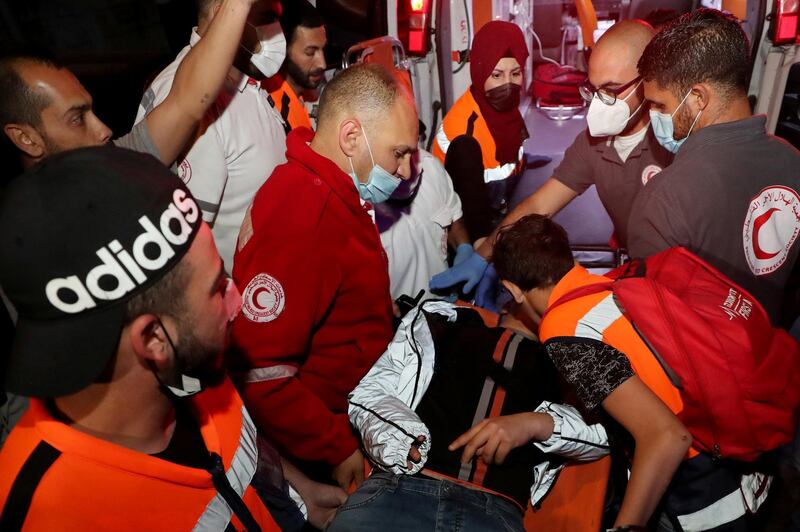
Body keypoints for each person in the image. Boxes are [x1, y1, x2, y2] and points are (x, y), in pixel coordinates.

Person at [0, 147, 286, 531]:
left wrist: (301, 500)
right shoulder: (47, 514)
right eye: (218, 288)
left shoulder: (194, 364)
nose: (237, 301)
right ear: (154, 339)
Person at [493, 214, 773, 529]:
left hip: (701, 488)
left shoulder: (564, 329)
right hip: (741, 457)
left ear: (512, 289)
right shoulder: (613, 286)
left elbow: (668, 436)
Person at [229, 63, 418, 490]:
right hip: (323, 443)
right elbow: (263, 372)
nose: (405, 170)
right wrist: (335, 448)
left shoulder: (331, 192)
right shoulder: (302, 213)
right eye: (398, 153)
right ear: (352, 137)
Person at [431, 20, 672, 310]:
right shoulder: (592, 145)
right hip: (638, 272)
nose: (598, 104)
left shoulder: (674, 142)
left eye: (611, 90)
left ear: (648, 81)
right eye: (593, 90)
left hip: (678, 280)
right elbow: (536, 206)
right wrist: (483, 257)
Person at [327, 299, 610, 532]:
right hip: (400, 490)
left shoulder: (567, 361)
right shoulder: (440, 326)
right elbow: (369, 393)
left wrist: (537, 423)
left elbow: (606, 433)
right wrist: (402, 438)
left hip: (492, 512)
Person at [628, 8, 800, 324]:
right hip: (772, 353)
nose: (653, 115)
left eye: (659, 104)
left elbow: (654, 325)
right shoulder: (793, 160)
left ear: (697, 98)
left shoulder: (664, 201)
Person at [0, 0, 257, 169]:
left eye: (92, 112)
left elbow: (186, 102)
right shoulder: (30, 241)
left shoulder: (115, 163)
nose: (104, 130)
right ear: (26, 138)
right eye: (77, 119)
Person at [135, 0, 289, 271]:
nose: (277, 31)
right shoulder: (191, 98)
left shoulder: (244, 81)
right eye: (266, 16)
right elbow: (183, 244)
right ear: (224, 9)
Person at [431, 20, 529, 241]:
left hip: (502, 204)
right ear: (479, 70)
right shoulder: (464, 134)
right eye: (496, 75)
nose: (508, 84)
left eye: (515, 73)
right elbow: (472, 217)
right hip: (465, 224)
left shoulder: (507, 113)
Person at [375, 148, 470, 302]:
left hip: (444, 311)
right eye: (397, 154)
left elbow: (453, 215)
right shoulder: (347, 201)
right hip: (395, 323)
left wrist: (464, 248)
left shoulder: (429, 165)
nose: (407, 172)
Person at [266, 0, 326, 131]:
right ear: (284, 50)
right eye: (310, 52)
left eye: (323, 49)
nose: (322, 63)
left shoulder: (304, 98)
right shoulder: (275, 112)